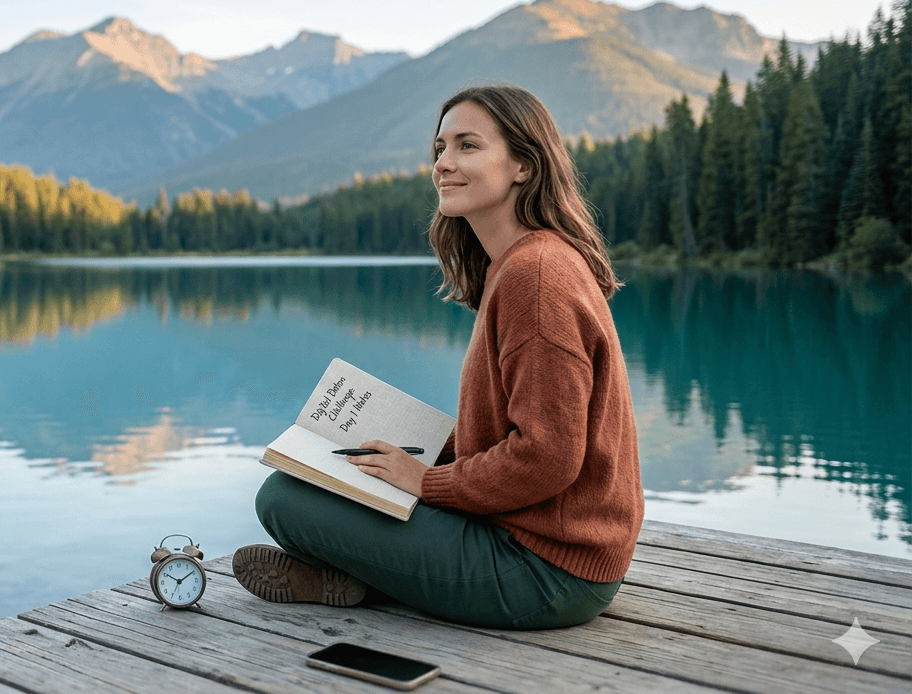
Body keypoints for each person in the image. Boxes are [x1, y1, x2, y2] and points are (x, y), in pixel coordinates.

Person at [235, 84, 644, 630]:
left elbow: (548, 456)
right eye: (439, 148)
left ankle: (361, 583)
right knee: (313, 476)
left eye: (468, 146)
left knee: (283, 501)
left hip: (549, 572)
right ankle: (357, 581)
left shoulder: (537, 277)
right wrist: (424, 449)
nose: (444, 164)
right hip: (531, 542)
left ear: (523, 164)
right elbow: (518, 430)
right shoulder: (519, 264)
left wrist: (425, 482)